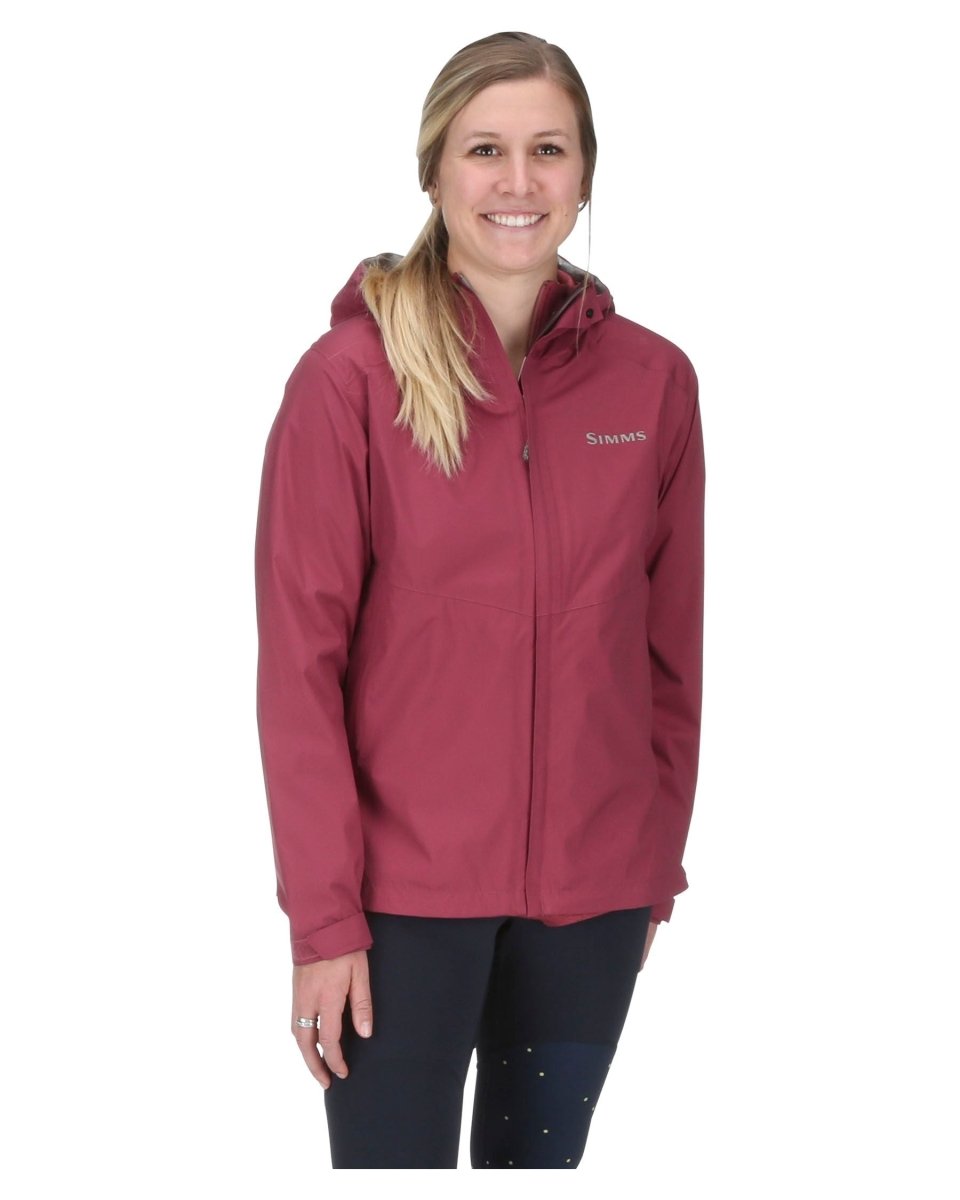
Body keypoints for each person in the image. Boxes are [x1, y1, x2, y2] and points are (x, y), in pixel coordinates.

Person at [254, 30, 705, 1169]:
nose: (518, 181)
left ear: (585, 173)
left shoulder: (654, 382)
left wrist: (649, 869)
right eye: (485, 149)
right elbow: (300, 671)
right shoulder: (349, 383)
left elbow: (670, 652)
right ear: (434, 171)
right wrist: (324, 918)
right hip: (398, 910)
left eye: (548, 149)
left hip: (594, 904)